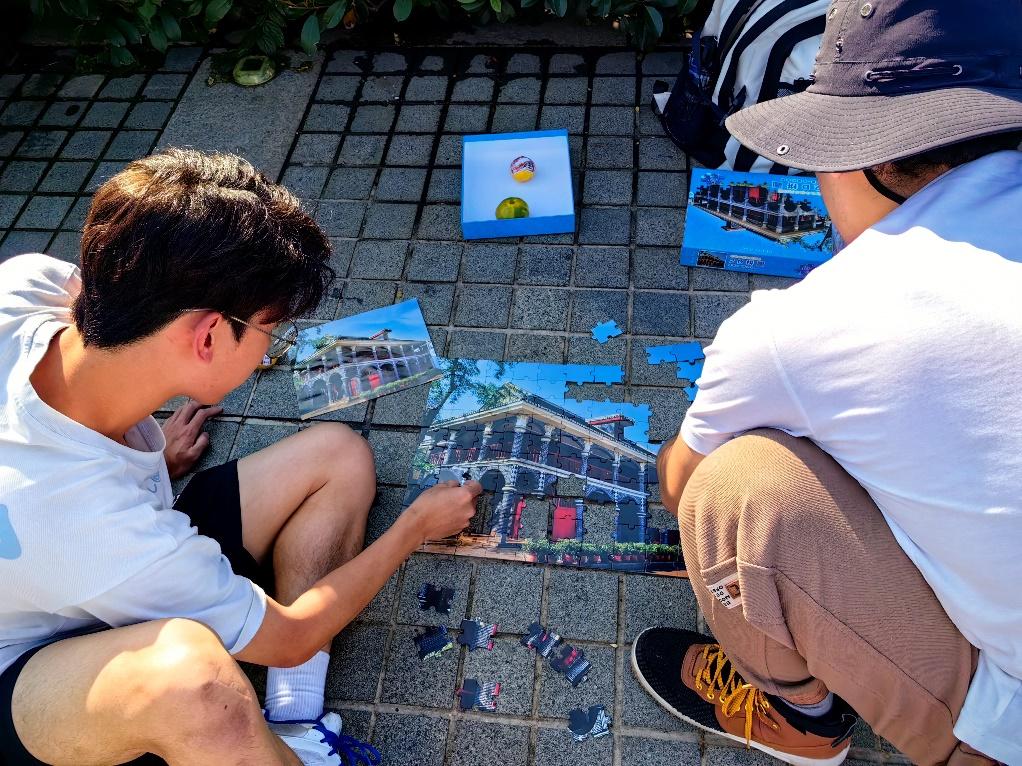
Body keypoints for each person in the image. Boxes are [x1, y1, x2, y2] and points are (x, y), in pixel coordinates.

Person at [0, 148, 483, 766]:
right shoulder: (92, 525)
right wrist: (414, 527)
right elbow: (291, 636)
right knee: (195, 685)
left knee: (338, 453)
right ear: (207, 336)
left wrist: (143, 452)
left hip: (83, 563)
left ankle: (297, 720)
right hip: (32, 673)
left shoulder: (29, 282)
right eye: (268, 332)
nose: (269, 352)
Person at [632, 1, 1022, 765]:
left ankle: (802, 718)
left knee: (736, 489)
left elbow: (680, 486)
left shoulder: (798, 328)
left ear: (860, 159)